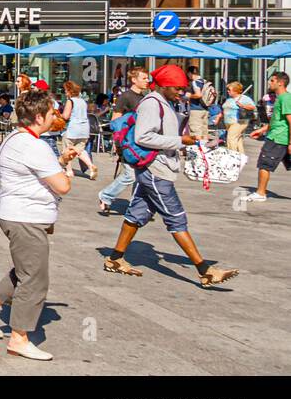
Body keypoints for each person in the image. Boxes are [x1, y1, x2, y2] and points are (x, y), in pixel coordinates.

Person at [102, 64, 238, 287]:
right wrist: (179, 141)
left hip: (157, 167)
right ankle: (205, 270)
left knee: (136, 214)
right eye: (177, 88)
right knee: (176, 218)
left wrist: (186, 143)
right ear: (164, 85)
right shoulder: (152, 105)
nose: (181, 92)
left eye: (182, 88)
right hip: (156, 170)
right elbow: (143, 137)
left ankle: (115, 259)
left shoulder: (164, 102)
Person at [0, 89, 79, 361]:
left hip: (15, 214)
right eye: (52, 113)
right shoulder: (35, 146)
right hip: (26, 218)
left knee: (23, 269)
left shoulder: (15, 138)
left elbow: (34, 172)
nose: (55, 117)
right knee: (35, 279)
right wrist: (66, 170)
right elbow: (62, 187)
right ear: (39, 116)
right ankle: (19, 338)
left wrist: (60, 160)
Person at [97, 66, 150, 215]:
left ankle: (136, 205)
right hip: (128, 141)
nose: (147, 81)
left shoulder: (145, 98)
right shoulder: (125, 97)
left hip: (140, 141)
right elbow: (116, 120)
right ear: (134, 79)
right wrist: (117, 142)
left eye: (147, 78)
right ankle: (106, 196)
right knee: (130, 175)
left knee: (140, 176)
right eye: (144, 78)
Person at [246, 71, 291, 203]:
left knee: (264, 164)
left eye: (272, 81)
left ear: (280, 83)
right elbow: (277, 120)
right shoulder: (280, 98)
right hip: (276, 135)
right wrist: (262, 130)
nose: (269, 83)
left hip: (278, 139)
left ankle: (260, 193)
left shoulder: (285, 98)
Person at [58, 81, 97, 180]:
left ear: (69, 91)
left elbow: (66, 116)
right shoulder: (83, 101)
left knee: (67, 149)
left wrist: (59, 115)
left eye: (66, 90)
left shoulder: (70, 101)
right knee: (80, 150)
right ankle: (91, 166)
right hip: (84, 129)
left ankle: (69, 170)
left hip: (74, 128)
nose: (65, 92)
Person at [221, 81, 256, 156]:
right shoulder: (229, 99)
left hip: (239, 122)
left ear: (235, 90)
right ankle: (241, 156)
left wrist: (243, 106)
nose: (228, 91)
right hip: (229, 123)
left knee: (231, 138)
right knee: (238, 139)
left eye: (229, 90)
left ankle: (232, 155)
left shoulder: (244, 98)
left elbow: (253, 107)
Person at [185, 66, 213, 141]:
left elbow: (198, 95)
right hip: (205, 109)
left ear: (190, 73)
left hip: (196, 110)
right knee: (204, 132)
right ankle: (205, 149)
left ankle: (198, 149)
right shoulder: (204, 81)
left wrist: (189, 96)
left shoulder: (195, 82)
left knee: (196, 132)